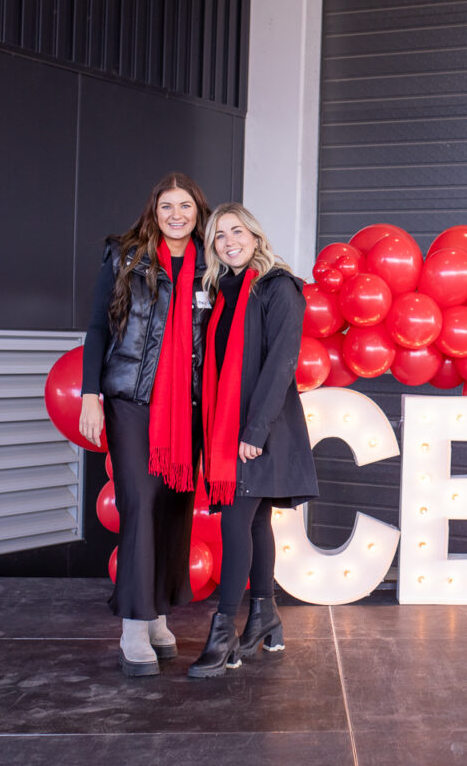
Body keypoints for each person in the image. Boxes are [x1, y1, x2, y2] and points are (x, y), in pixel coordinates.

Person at [79, 173, 212, 676]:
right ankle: (133, 628)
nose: (176, 214)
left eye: (185, 206)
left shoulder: (212, 265)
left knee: (175, 506)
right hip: (131, 400)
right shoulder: (124, 255)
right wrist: (91, 394)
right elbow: (97, 327)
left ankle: (158, 615)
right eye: (166, 205)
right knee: (141, 502)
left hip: (189, 406)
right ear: (153, 210)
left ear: (199, 211)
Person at [188, 203, 319, 678]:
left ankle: (223, 634)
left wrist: (254, 433)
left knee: (235, 524)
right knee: (257, 521)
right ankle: (264, 616)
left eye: (236, 231)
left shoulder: (278, 288)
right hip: (232, 426)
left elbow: (281, 364)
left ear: (255, 235)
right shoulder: (222, 292)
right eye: (219, 236)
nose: (228, 242)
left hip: (259, 429)